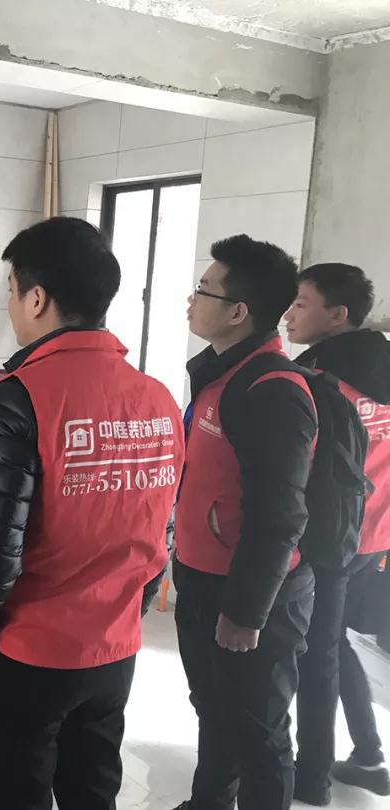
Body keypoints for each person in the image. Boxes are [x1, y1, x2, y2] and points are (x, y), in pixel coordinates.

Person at [0, 217, 183, 810]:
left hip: (27, 655)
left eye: (11, 290)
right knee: (92, 791)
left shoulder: (21, 394)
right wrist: (128, 610)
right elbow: (161, 524)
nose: (10, 305)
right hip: (115, 651)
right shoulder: (157, 396)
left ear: (37, 298)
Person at [172, 236, 318, 810]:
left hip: (252, 594)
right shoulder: (222, 373)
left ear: (239, 312)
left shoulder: (272, 389)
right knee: (215, 709)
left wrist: (246, 611)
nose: (192, 299)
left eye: (204, 289)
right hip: (203, 576)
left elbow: (281, 514)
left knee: (260, 732)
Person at [286, 262, 390, 801]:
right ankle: (369, 755)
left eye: (301, 303)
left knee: (316, 652)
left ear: (338, 314)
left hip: (329, 536)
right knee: (333, 642)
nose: (288, 314)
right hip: (376, 533)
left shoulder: (317, 377)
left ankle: (311, 774)